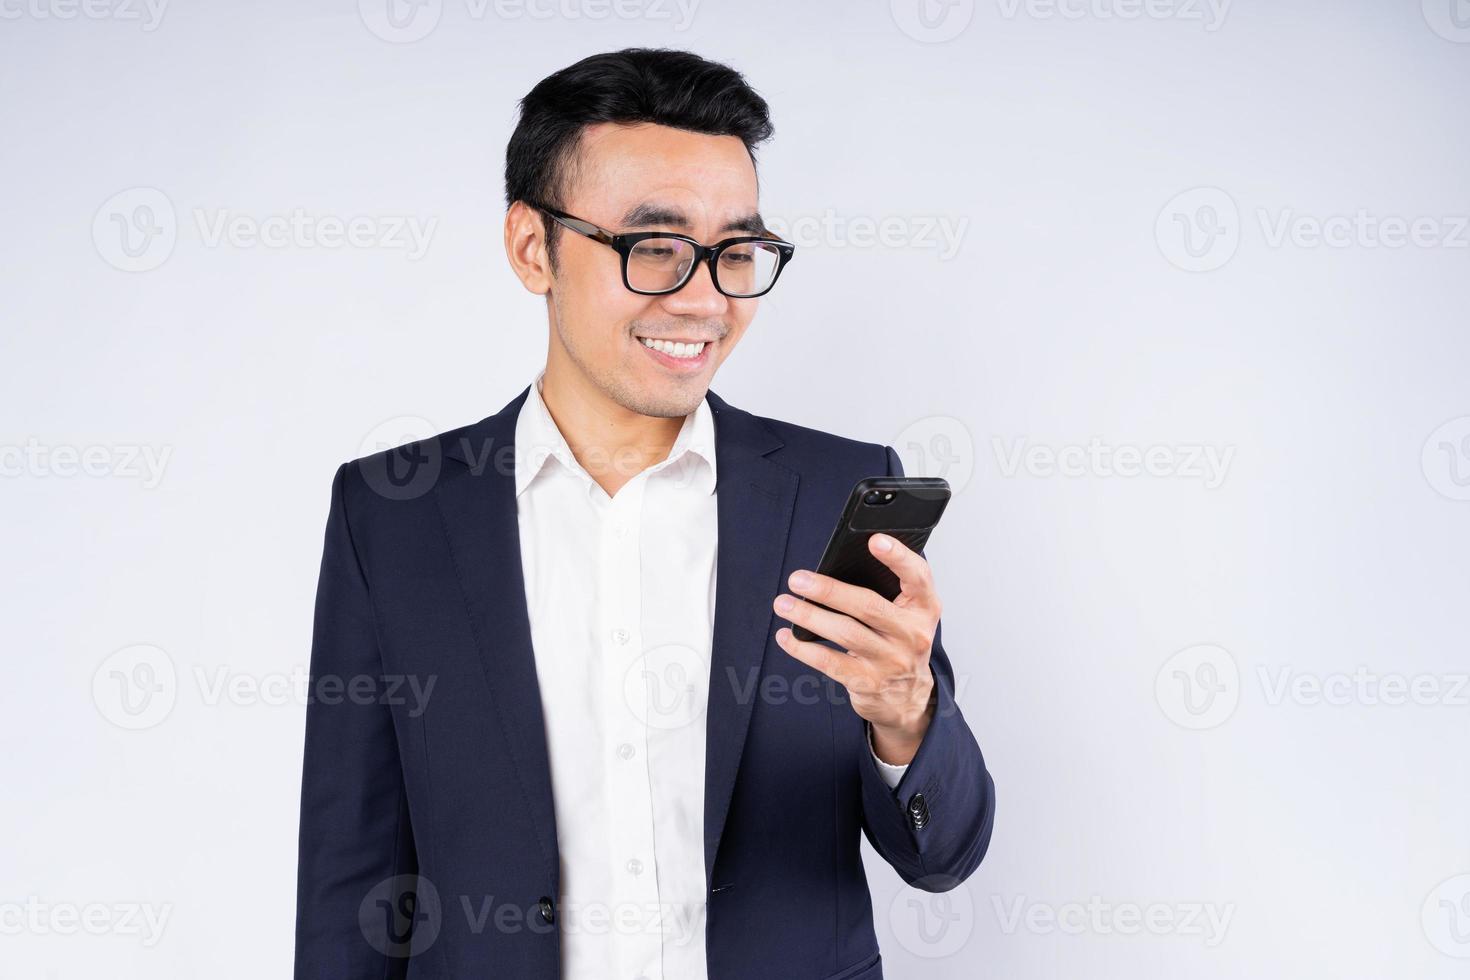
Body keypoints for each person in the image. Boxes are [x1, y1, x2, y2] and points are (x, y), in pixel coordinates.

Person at [294, 46, 995, 980]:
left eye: (736, 251)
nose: (705, 299)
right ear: (531, 247)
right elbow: (354, 875)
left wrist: (905, 713)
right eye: (654, 247)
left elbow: (942, 856)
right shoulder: (393, 514)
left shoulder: (837, 490)